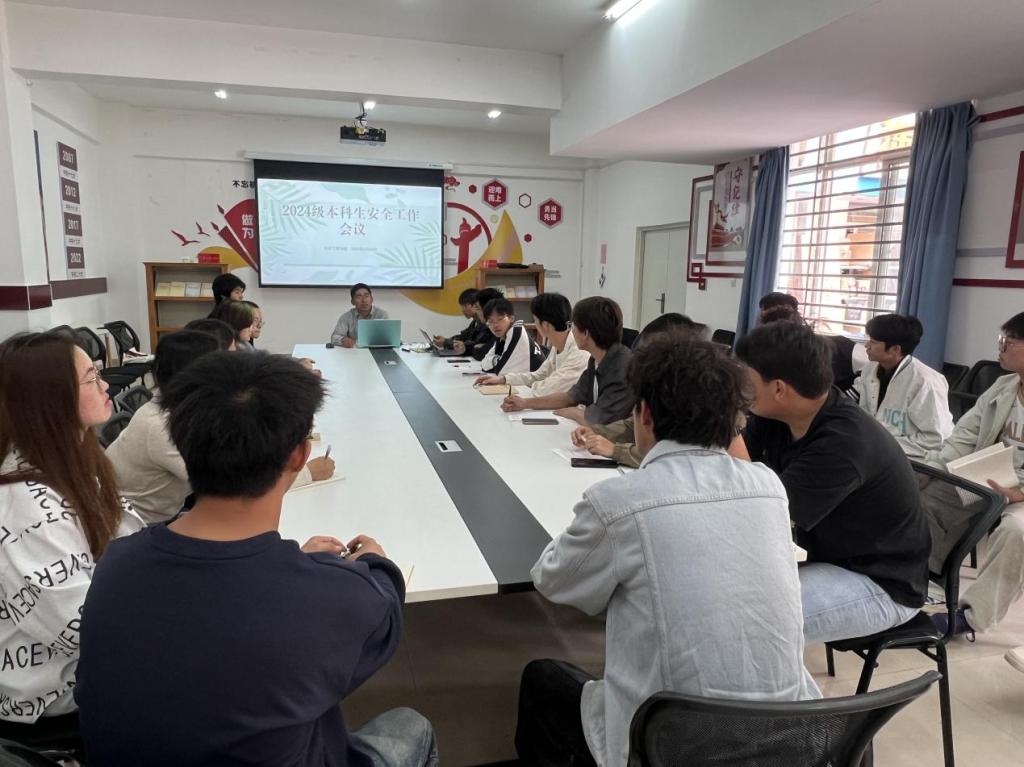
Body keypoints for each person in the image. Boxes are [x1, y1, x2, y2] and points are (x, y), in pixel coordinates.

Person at [75, 351, 437, 766]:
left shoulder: (117, 564)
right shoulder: (330, 597)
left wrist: (294, 569)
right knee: (412, 725)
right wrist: (375, 561)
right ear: (299, 455)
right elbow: (385, 602)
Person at [517, 335, 819, 767]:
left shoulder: (620, 501)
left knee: (543, 678)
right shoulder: (769, 486)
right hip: (786, 735)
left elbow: (553, 582)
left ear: (644, 414)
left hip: (672, 743)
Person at [735, 321, 930, 644]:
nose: (740, 388)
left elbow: (761, 514)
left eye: (746, 379)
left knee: (749, 621)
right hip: (826, 558)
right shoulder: (779, 415)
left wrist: (723, 417)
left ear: (779, 388)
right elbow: (734, 472)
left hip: (879, 582)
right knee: (718, 594)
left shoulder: (844, 443)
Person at [0, 332, 143, 732]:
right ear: (51, 399)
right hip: (51, 698)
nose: (106, 385)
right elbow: (84, 631)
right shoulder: (23, 506)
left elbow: (132, 546)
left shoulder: (75, 462)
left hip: (101, 657)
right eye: (91, 378)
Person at [107, 332, 335, 525]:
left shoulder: (177, 408)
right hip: (139, 526)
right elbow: (238, 486)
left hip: (167, 515)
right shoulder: (161, 426)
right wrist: (307, 473)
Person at [923, 313, 1024, 672]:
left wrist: (1019, 494)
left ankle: (969, 616)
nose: (1000, 348)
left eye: (1009, 342)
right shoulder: (1004, 387)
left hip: (1020, 492)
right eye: (1001, 340)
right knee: (928, 500)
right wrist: (932, 470)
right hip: (992, 478)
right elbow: (964, 436)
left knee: (1017, 532)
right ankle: (915, 581)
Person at [570, 313, 699, 467]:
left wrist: (616, 451)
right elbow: (633, 425)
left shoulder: (704, 401)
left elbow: (674, 458)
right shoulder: (662, 386)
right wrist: (597, 432)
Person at [501, 297, 634, 425]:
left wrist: (574, 412)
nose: (571, 330)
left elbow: (599, 420)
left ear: (586, 333)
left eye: (573, 325)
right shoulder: (595, 359)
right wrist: (525, 403)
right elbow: (571, 397)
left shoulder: (621, 367)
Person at [854, 313, 953, 458]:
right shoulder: (870, 369)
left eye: (873, 342)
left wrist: (882, 444)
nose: (867, 345)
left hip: (917, 458)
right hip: (877, 449)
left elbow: (935, 439)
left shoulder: (926, 382)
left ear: (895, 349)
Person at [476, 293, 590, 397]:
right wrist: (504, 379)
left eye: (535, 319)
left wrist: (528, 389)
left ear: (544, 325)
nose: (495, 325)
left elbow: (549, 389)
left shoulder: (578, 352)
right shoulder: (558, 346)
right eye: (491, 321)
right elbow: (538, 375)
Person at [478, 297, 544, 377]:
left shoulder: (516, 331)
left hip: (538, 381)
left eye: (500, 319)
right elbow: (483, 363)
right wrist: (497, 360)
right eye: (491, 321)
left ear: (511, 318)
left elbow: (501, 371)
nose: (495, 325)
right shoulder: (502, 335)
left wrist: (496, 361)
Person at [331, 283, 389, 348]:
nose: (364, 300)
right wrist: (342, 340)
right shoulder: (347, 317)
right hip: (354, 352)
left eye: (366, 296)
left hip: (376, 351)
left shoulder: (381, 315)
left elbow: (387, 338)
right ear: (352, 302)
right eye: (359, 297)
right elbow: (334, 337)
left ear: (372, 299)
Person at [432, 289, 482, 353]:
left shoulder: (485, 324)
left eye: (465, 306)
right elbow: (463, 337)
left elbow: (474, 344)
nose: (463, 310)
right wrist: (445, 340)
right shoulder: (474, 322)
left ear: (476, 305)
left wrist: (446, 342)